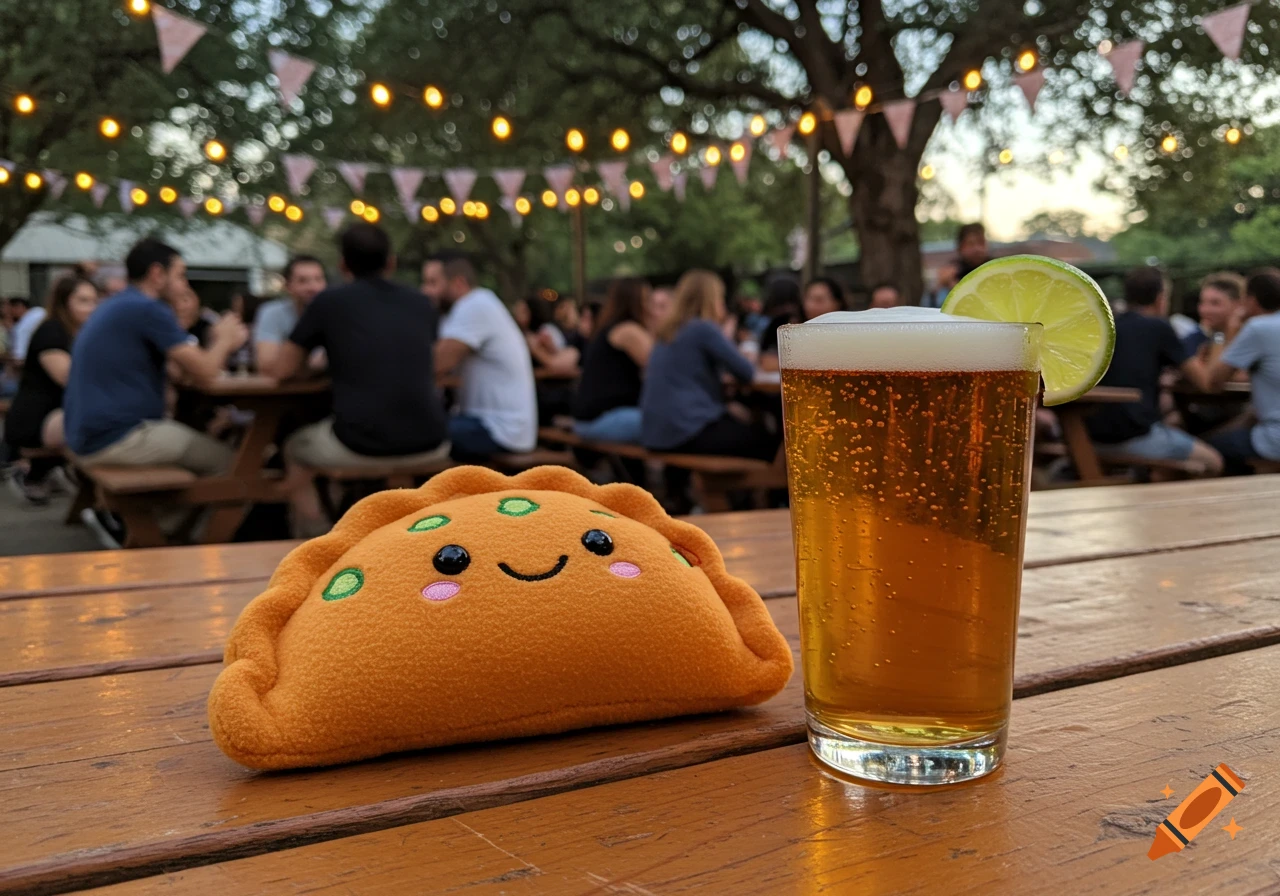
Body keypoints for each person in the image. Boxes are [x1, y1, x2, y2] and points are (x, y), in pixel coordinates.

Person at [274, 224, 450, 536]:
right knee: (377, 441)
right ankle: (403, 539)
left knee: (294, 448)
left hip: (361, 444)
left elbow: (282, 369)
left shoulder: (328, 302)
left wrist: (317, 368)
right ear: (391, 262)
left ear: (343, 265)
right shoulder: (422, 303)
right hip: (433, 440)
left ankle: (315, 541)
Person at [64, 238, 248, 476]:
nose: (185, 285)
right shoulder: (146, 307)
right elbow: (206, 373)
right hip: (117, 437)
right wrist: (224, 339)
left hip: (89, 436)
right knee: (234, 464)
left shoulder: (120, 304)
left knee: (200, 450)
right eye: (180, 275)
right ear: (157, 274)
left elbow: (180, 372)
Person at [1084, 266, 1222, 476]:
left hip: (1090, 435)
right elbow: (1205, 382)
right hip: (1133, 437)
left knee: (1174, 425)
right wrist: (1220, 335)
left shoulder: (1110, 325)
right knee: (1213, 462)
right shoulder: (1159, 327)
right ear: (1160, 298)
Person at [641, 269, 776, 464]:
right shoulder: (702, 328)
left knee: (741, 425)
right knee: (768, 442)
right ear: (713, 298)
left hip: (656, 433)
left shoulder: (668, 330)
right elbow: (746, 372)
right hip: (686, 430)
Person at [4, 276, 99, 504]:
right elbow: (69, 378)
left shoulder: (79, 332)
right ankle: (36, 472)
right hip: (35, 419)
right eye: (83, 301)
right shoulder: (52, 330)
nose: (92, 307)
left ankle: (48, 471)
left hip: (55, 414)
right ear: (64, 303)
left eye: (94, 301)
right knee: (102, 424)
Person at [434, 255, 538, 459]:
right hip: (493, 425)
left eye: (433, 283)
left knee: (417, 431)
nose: (425, 290)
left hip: (500, 430)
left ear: (459, 283)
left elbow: (436, 364)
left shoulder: (475, 304)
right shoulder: (472, 306)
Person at [1202, 269, 1280, 474]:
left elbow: (1213, 382)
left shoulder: (1258, 327)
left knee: (1205, 451)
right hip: (1263, 423)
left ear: (1251, 301)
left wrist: (1228, 331)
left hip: (1273, 440)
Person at [572, 278, 653, 444]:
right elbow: (663, 368)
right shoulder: (628, 330)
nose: (651, 307)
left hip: (590, 419)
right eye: (647, 299)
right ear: (634, 302)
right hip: (602, 419)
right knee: (673, 425)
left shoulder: (609, 327)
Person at [255, 256, 327, 377]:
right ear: (288, 286)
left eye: (318, 279)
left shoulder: (337, 312)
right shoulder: (272, 312)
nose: (313, 287)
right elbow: (266, 365)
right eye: (303, 281)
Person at [1183, 272, 1244, 356]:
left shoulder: (1248, 338)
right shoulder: (1194, 340)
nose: (1205, 310)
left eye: (1215, 303)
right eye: (1202, 302)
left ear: (1238, 304)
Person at [7, 297, 46, 364]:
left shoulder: (21, 327)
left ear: (19, 306)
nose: (9, 312)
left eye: (9, 309)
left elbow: (19, 358)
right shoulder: (39, 311)